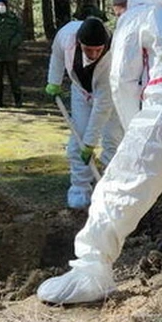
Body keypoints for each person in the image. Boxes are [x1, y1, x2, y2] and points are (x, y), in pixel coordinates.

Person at [37, 0, 162, 305]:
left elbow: (122, 80)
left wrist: (132, 132)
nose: (116, 17)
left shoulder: (137, 16)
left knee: (122, 184)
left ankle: (90, 270)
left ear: (126, 5)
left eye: (116, 11)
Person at [45, 16, 123, 209]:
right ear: (79, 43)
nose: (95, 54)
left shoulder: (113, 56)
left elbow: (101, 108)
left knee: (112, 139)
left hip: (111, 94)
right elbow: (57, 55)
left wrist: (90, 143)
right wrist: (53, 81)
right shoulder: (66, 35)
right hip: (81, 91)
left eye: (99, 49)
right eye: (89, 49)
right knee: (77, 139)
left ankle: (111, 189)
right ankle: (80, 189)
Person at [0, 0, 25, 107]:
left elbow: (20, 33)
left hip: (11, 54)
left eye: (3, 5)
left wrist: (13, 43)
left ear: (6, 6)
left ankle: (18, 100)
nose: (0, 7)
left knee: (14, 78)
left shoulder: (13, 18)